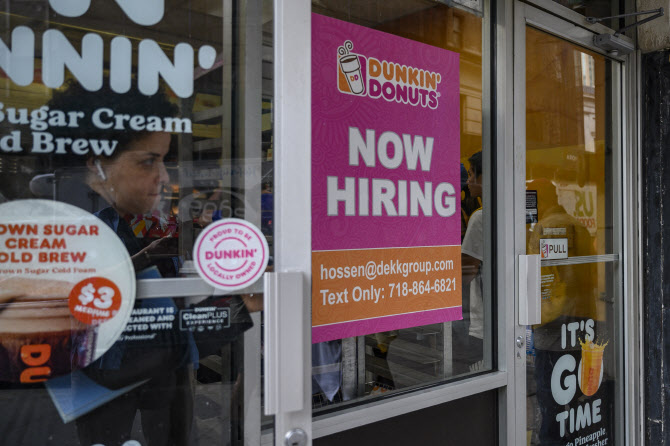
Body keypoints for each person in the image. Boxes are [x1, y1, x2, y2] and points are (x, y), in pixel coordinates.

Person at [46, 80, 196, 446]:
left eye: (163, 161)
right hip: (107, 370)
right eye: (148, 161)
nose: (162, 178)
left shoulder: (131, 214)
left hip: (155, 360)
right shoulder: (73, 221)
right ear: (97, 162)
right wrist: (154, 254)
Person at [459, 151, 485, 372]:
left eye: (471, 175)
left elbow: (466, 272)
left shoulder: (480, 217)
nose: (468, 181)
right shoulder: (510, 214)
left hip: (482, 326)